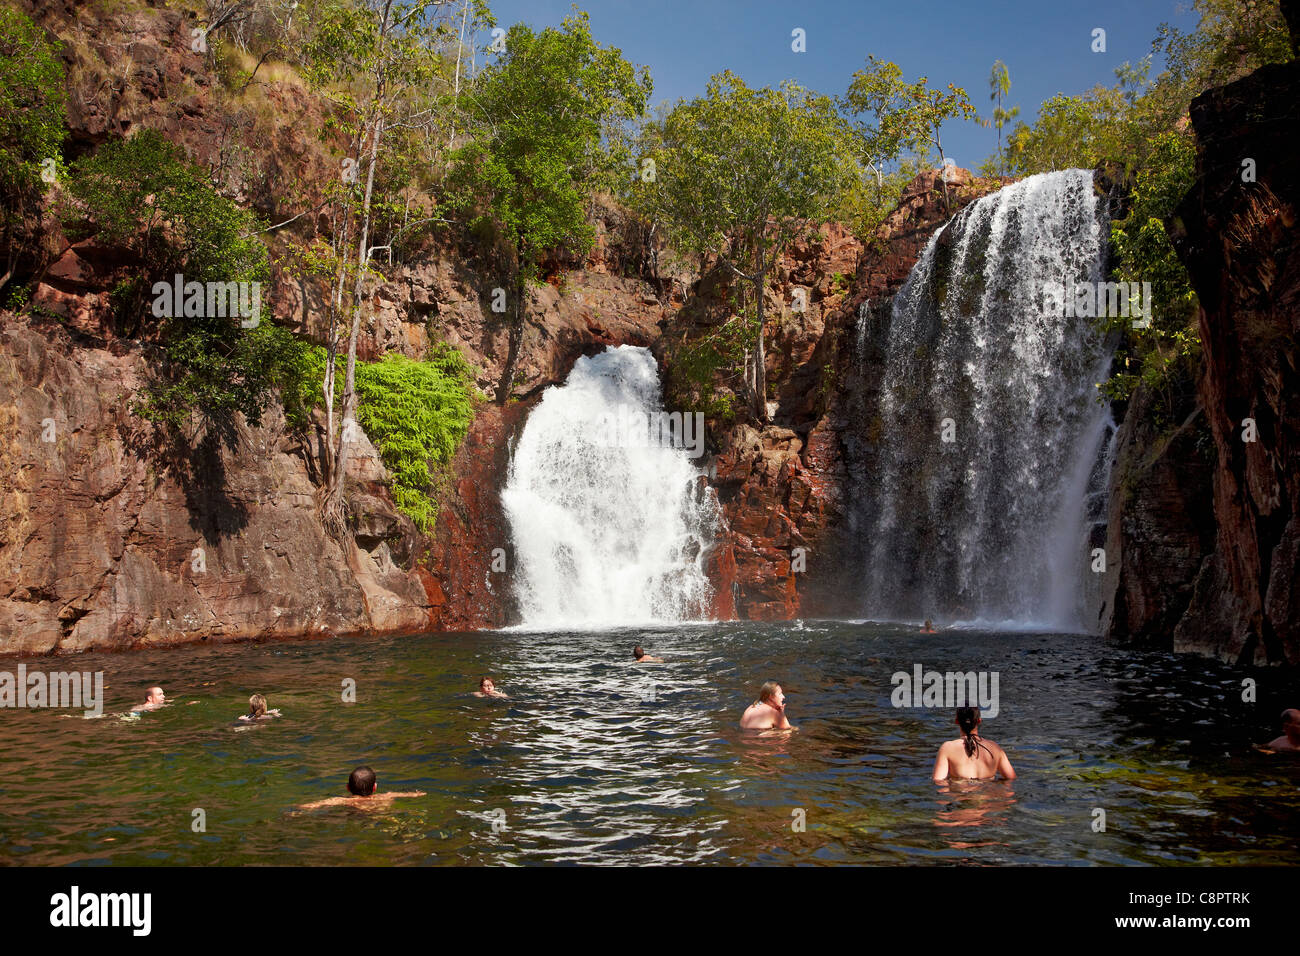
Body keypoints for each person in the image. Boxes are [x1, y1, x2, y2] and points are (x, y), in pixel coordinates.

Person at [932, 707, 1015, 782]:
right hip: (988, 796)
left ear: (956, 721)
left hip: (960, 796)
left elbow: (938, 781)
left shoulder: (948, 748)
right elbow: (1011, 778)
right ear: (979, 721)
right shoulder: (995, 748)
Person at [297, 766, 425, 811]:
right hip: (379, 811)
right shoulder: (387, 796)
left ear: (347, 787)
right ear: (375, 787)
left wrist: (298, 808)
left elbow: (315, 805)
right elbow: (411, 795)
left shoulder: (343, 801)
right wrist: (418, 794)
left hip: (357, 816)